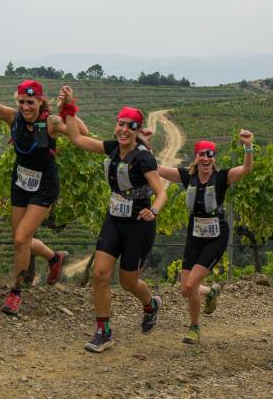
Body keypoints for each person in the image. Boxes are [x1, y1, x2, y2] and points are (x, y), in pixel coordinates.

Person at [0, 51, 88, 315]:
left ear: (40, 101)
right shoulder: (13, 118)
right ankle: (54, 257)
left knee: (22, 238)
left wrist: (69, 108)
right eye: (22, 101)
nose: (25, 107)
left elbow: (83, 133)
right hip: (20, 181)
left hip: (45, 185)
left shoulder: (52, 122)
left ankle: (15, 293)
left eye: (30, 102)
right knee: (19, 239)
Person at [59, 86, 168, 353]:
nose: (123, 130)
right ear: (116, 125)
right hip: (114, 220)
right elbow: (77, 139)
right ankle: (103, 331)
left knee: (128, 282)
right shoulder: (111, 148)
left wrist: (152, 211)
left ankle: (151, 304)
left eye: (130, 126)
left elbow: (161, 192)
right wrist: (70, 108)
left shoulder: (143, 158)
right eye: (120, 124)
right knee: (100, 274)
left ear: (137, 130)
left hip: (139, 225)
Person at [153, 131, 254, 344]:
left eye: (210, 154)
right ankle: (209, 292)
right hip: (194, 234)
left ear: (214, 158)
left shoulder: (223, 177)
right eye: (202, 154)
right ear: (196, 157)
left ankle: (194, 327)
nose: (206, 158)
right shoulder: (186, 176)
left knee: (190, 287)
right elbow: (156, 169)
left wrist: (248, 147)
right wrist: (143, 144)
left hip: (216, 236)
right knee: (184, 289)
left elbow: (246, 169)